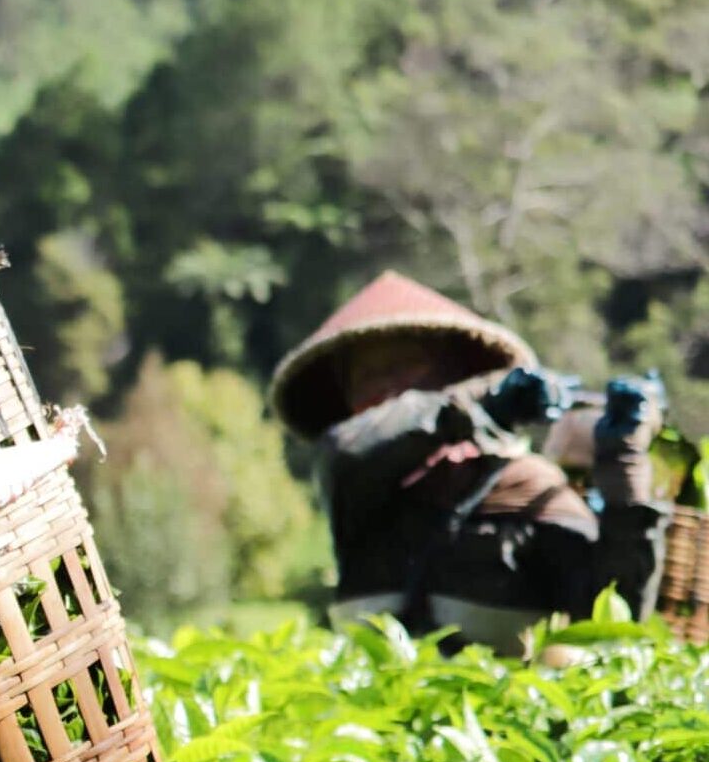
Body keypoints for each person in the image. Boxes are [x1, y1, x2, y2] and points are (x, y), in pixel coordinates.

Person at [269, 271, 668, 654]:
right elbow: (352, 447)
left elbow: (614, 618)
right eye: (369, 375)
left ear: (453, 373)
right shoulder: (355, 489)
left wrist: (623, 465)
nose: (389, 387)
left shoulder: (524, 484)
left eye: (406, 365)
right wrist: (477, 403)